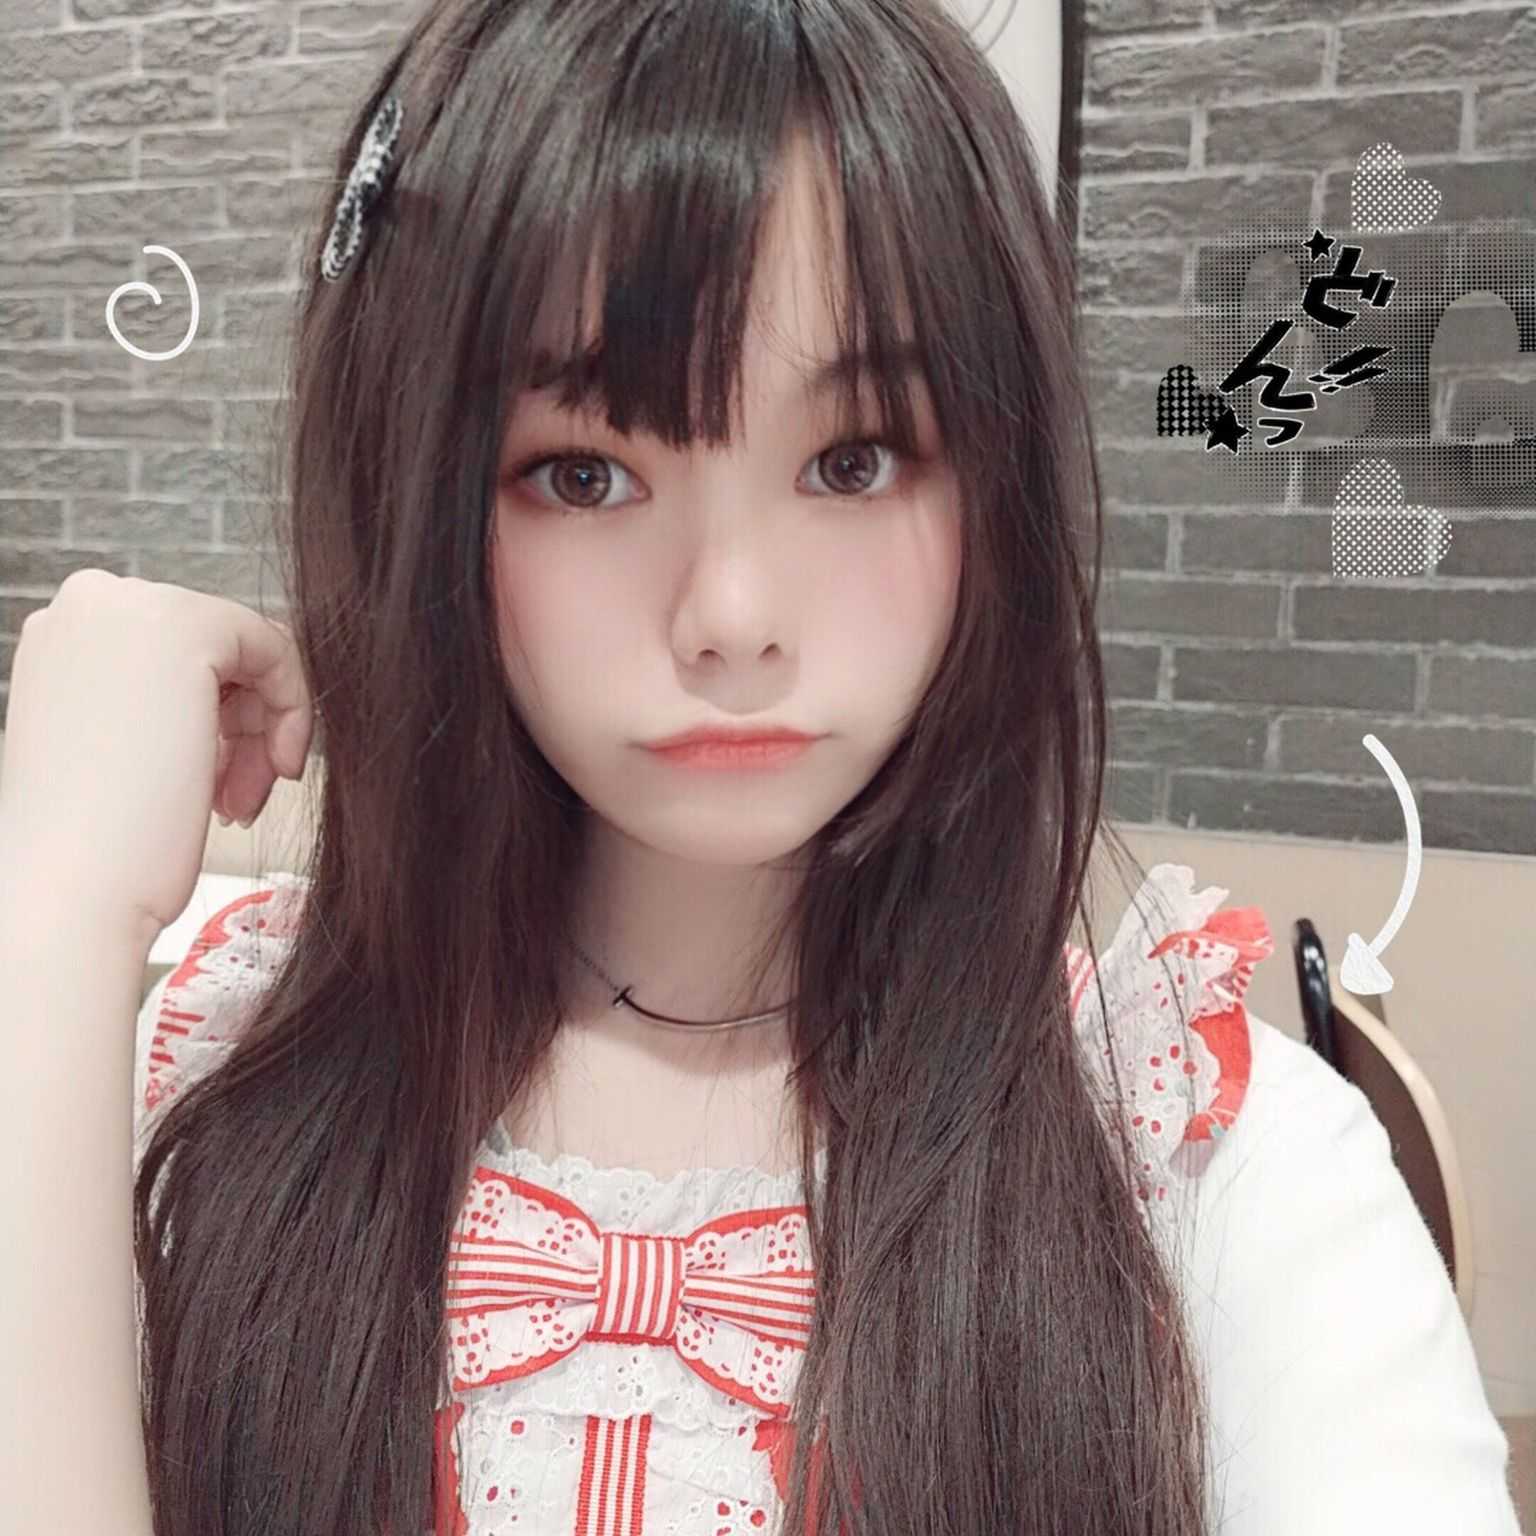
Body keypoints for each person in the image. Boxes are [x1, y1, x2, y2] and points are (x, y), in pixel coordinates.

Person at [0, 1, 1521, 1533]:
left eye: (854, 461)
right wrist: (48, 922)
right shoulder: (195, 1092)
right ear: (423, 493)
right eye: (584, 472)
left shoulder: (1203, 1164)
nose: (730, 616)